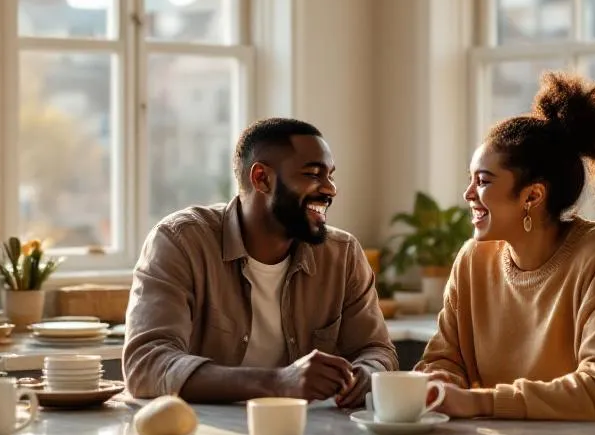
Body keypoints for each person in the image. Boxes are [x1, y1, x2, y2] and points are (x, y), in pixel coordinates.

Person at [415, 72, 595, 427]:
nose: (468, 194)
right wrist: (442, 380)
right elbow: (443, 358)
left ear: (532, 196)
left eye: (482, 181)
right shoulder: (472, 260)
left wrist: (477, 402)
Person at [123, 118, 398, 405]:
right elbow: (146, 364)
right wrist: (278, 382)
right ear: (261, 178)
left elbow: (377, 351)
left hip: (311, 434)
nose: (330, 189)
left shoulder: (342, 256)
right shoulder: (180, 242)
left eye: (330, 175)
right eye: (313, 174)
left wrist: (367, 374)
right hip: (201, 434)